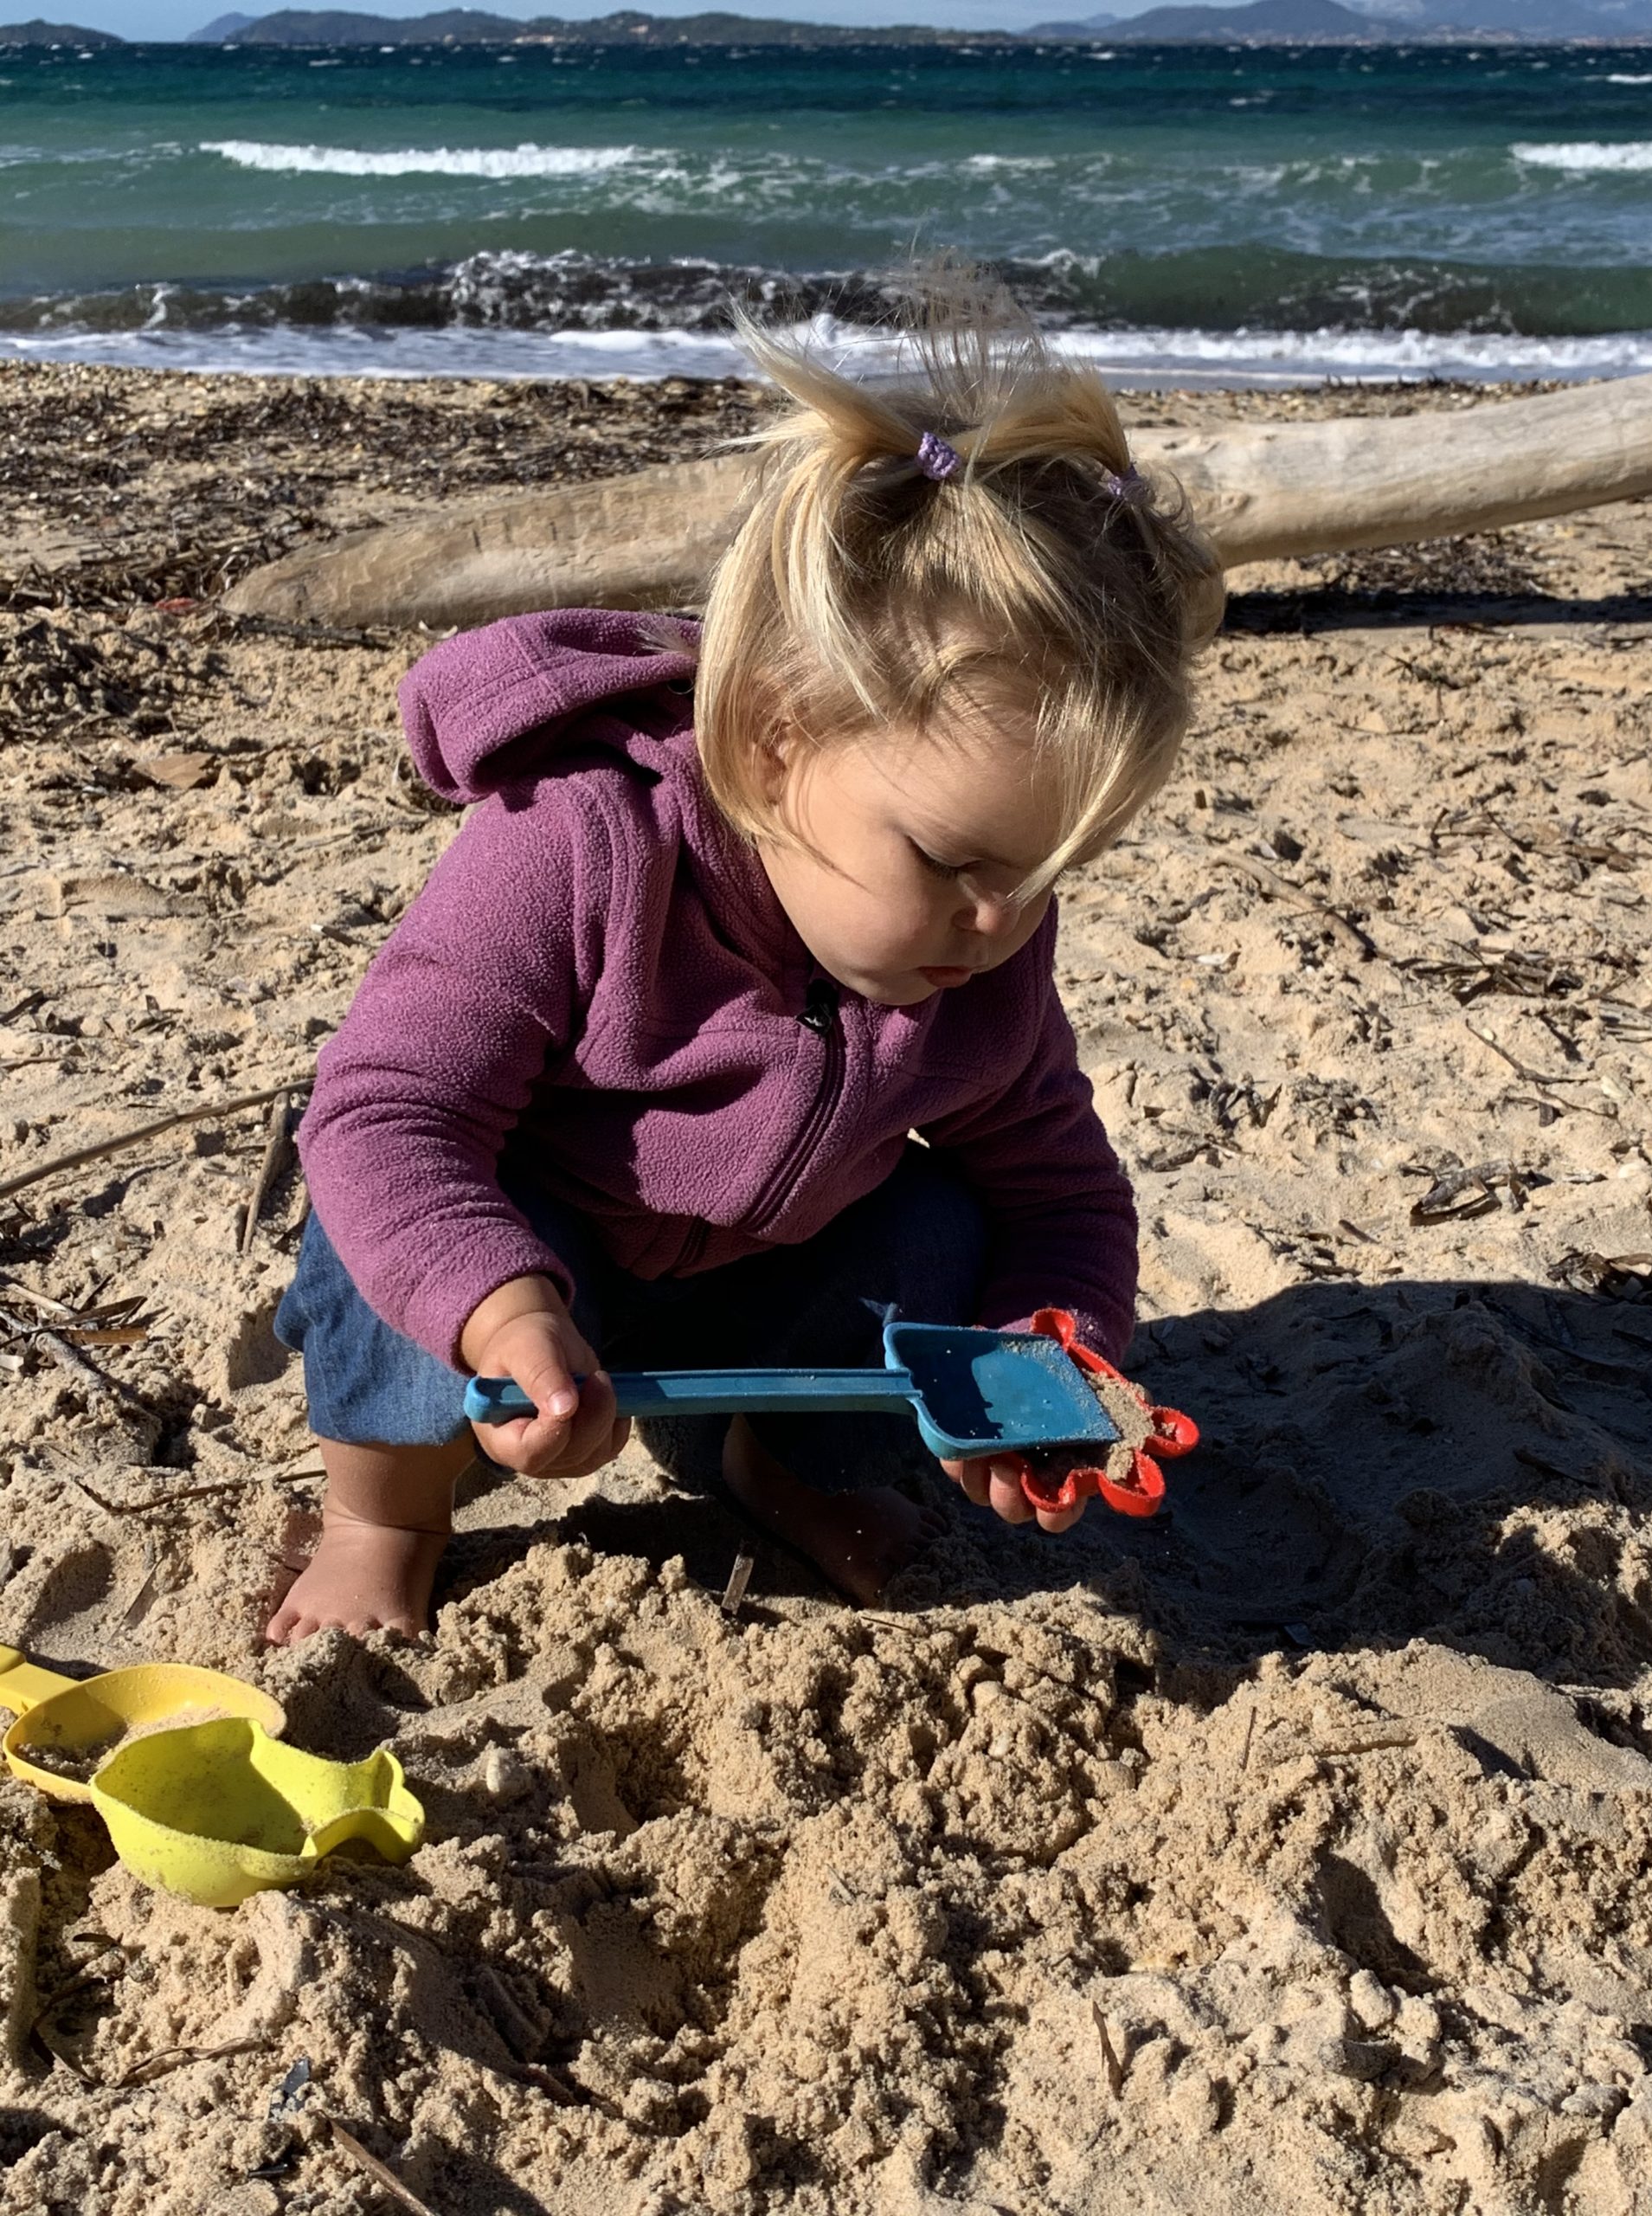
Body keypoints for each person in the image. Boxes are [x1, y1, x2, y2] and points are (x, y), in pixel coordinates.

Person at [266, 283, 1221, 1645]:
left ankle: (774, 1467)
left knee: (942, 1233)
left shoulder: (986, 952)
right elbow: (383, 1114)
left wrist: (1038, 1373)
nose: (1000, 923)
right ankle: (384, 1521)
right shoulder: (582, 843)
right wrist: (500, 1308)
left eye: (1046, 873)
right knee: (384, 1236)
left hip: (758, 1287)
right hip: (541, 1255)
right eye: (951, 862)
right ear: (776, 745)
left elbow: (1060, 1192)